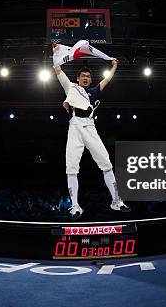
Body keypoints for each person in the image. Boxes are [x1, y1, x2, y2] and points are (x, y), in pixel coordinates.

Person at [53, 45, 130, 220]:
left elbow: (106, 80)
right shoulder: (70, 87)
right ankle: (75, 206)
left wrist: (114, 66)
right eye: (83, 76)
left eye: (88, 76)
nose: (86, 78)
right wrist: (56, 53)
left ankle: (116, 201)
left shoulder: (94, 91)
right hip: (75, 127)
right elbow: (57, 69)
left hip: (90, 127)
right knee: (71, 167)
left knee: (106, 163)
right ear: (78, 78)